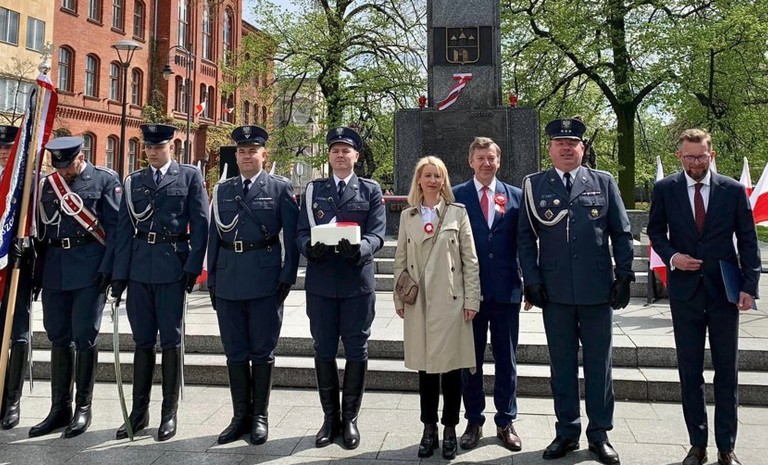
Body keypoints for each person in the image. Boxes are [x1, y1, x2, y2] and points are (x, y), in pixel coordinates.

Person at [517, 118, 634, 464]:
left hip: (597, 290)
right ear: (550, 148)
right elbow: (525, 237)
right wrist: (532, 279)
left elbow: (621, 232)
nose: (566, 148)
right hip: (555, 292)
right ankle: (567, 431)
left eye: (572, 144)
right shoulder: (534, 185)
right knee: (562, 365)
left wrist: (624, 275)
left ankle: (599, 434)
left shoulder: (603, 182)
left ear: (582, 148)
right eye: (560, 143)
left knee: (599, 365)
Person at [647, 129, 759, 465]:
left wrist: (749, 286)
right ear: (679, 156)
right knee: (690, 371)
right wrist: (672, 257)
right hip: (686, 293)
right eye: (689, 157)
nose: (695, 163)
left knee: (727, 371)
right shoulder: (665, 189)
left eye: (701, 157)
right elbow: (655, 231)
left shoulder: (732, 190)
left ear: (711, 155)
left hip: (725, 292)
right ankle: (697, 445)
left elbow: (748, 239)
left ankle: (727, 447)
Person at [110, 124, 209, 442]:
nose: (153, 152)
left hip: (172, 267)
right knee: (141, 341)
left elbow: (202, 224)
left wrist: (193, 266)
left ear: (171, 148)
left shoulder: (189, 176)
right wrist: (119, 275)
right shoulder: (133, 181)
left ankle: (169, 412)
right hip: (139, 268)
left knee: (170, 341)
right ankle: (139, 412)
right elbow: (124, 231)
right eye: (149, 147)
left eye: (159, 147)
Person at [207, 125, 299, 445]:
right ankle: (239, 417)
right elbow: (214, 237)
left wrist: (287, 276)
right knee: (234, 352)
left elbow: (291, 237)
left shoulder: (279, 188)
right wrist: (212, 279)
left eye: (252, 151)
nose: (247, 156)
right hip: (228, 278)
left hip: (264, 279)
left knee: (261, 351)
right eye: (242, 151)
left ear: (264, 154)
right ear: (236, 156)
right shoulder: (223, 190)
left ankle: (260, 416)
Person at [296, 126, 386, 450]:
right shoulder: (314, 190)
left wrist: (360, 248)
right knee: (323, 349)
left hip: (356, 282)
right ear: (329, 155)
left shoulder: (370, 190)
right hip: (321, 282)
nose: (340, 155)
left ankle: (350, 419)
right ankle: (329, 418)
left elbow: (377, 233)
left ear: (356, 156)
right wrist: (309, 247)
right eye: (335, 150)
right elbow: (300, 232)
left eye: (346, 150)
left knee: (357, 349)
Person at [29, 136, 122, 438]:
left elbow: (115, 230)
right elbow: (41, 232)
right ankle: (59, 408)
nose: (63, 171)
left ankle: (83, 407)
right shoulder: (47, 184)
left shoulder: (104, 180)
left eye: (68, 166)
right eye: (59, 166)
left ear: (81, 157)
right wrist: (37, 273)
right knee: (58, 337)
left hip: (89, 269)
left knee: (84, 336)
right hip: (55, 269)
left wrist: (109, 269)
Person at [394, 156, 480, 460]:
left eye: (438, 176)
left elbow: (470, 260)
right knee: (426, 371)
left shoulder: (457, 213)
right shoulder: (407, 216)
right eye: (427, 175)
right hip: (419, 303)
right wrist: (399, 299)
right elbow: (401, 260)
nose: (433, 181)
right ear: (418, 180)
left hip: (451, 303)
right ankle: (428, 428)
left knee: (452, 370)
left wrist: (472, 299)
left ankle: (450, 429)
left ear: (444, 181)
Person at [452, 137, 523, 452]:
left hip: (507, 291)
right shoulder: (456, 196)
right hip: (470, 295)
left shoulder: (516, 196)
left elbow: (524, 243)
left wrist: (530, 284)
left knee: (507, 360)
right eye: (480, 158)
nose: (486, 163)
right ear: (471, 161)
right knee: (471, 361)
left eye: (491, 157)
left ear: (499, 161)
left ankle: (506, 420)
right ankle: (474, 420)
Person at [0, 124, 34, 430]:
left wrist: (29, 246)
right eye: (0, 148)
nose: (4, 153)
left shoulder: (30, 184)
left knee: (18, 334)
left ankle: (12, 400)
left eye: (9, 148)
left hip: (16, 269)